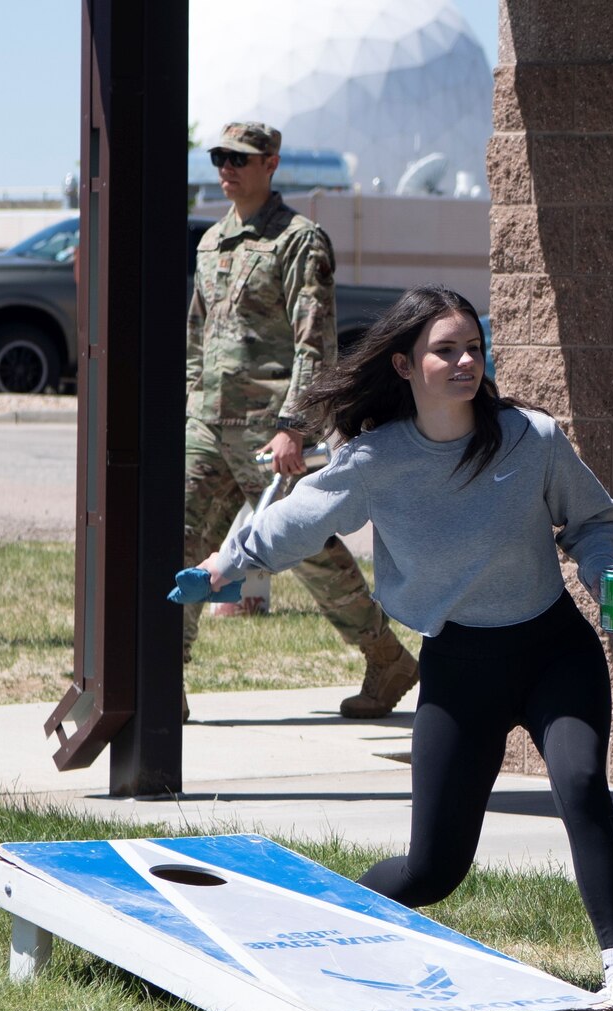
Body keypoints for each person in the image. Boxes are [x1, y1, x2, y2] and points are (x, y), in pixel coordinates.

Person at [193, 286, 613, 1011]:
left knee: (581, 783)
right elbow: (302, 519)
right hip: (460, 666)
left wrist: (603, 572)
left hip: (551, 649)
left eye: (475, 346)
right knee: (434, 867)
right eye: (447, 349)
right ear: (405, 364)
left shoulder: (531, 437)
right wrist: (226, 563)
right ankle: (310, 934)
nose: (467, 360)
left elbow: (593, 520)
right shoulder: (377, 459)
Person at [183, 121, 415, 720]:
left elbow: (315, 345)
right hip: (207, 426)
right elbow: (195, 337)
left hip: (268, 431)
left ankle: (384, 657)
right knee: (180, 542)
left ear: (271, 163)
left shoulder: (298, 240)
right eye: (219, 157)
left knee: (308, 551)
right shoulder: (211, 243)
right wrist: (189, 404)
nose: (227, 167)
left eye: (240, 157)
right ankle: (165, 677)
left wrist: (296, 425)